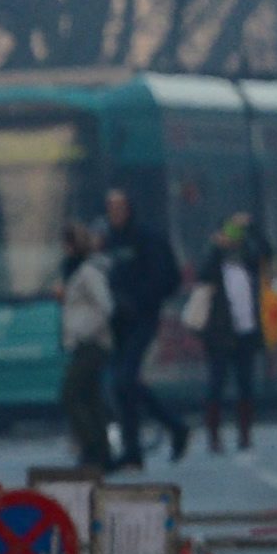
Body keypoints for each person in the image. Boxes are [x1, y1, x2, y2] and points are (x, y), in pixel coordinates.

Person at [101, 188, 187, 467]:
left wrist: (140, 300)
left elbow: (167, 276)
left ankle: (172, 426)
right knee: (121, 385)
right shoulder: (109, 241)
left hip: (142, 318)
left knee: (125, 379)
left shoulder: (146, 237)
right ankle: (133, 449)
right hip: (117, 322)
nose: (115, 214)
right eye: (110, 209)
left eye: (119, 208)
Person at [195, 213, 268, 453]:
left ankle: (245, 434)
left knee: (245, 384)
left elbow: (265, 254)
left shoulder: (247, 257)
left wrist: (251, 228)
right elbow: (203, 273)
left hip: (246, 330)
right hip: (219, 333)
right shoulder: (215, 259)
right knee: (216, 384)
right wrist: (217, 246)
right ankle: (214, 436)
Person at [58, 233, 117, 472]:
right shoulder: (74, 273)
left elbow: (106, 306)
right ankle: (103, 455)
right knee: (92, 398)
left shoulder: (88, 273)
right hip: (83, 343)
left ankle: (91, 446)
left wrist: (85, 331)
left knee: (71, 393)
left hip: (92, 343)